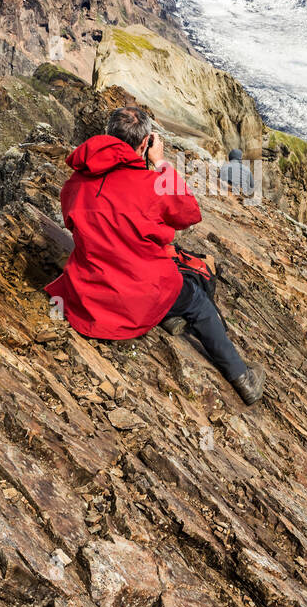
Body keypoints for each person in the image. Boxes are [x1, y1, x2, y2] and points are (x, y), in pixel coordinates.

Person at [45, 107, 266, 405]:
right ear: (146, 143)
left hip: (88, 296)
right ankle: (243, 379)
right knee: (197, 298)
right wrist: (160, 163)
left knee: (171, 263)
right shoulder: (152, 185)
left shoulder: (76, 182)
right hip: (133, 297)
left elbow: (73, 223)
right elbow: (190, 212)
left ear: (110, 136)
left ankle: (169, 316)